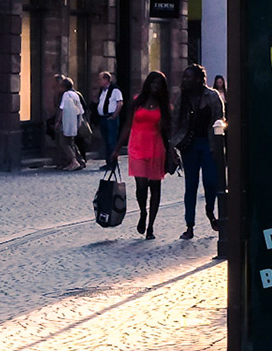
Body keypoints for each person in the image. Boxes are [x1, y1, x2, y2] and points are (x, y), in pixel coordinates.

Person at [172, 64, 226, 239]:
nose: (185, 80)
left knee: (211, 182)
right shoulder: (184, 97)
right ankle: (189, 225)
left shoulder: (212, 96)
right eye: (184, 77)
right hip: (190, 145)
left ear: (198, 79)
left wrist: (220, 144)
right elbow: (176, 122)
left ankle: (210, 212)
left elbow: (220, 120)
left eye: (189, 77)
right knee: (191, 186)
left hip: (209, 144)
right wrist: (172, 145)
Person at [122, 70, 173, 239]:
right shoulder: (137, 102)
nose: (155, 87)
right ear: (148, 84)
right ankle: (143, 211)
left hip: (156, 147)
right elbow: (128, 125)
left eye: (159, 85)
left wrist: (172, 150)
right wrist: (116, 149)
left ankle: (151, 226)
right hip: (137, 145)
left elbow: (168, 132)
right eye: (153, 83)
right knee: (141, 185)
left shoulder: (165, 106)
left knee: (155, 187)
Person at [92, 71, 124, 167]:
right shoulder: (102, 91)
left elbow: (120, 103)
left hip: (110, 118)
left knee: (111, 140)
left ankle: (113, 162)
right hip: (103, 118)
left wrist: (114, 115)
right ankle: (108, 162)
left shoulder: (115, 90)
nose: (99, 81)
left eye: (100, 79)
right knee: (106, 141)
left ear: (106, 80)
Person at [55, 76, 86, 169]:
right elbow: (81, 110)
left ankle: (74, 161)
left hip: (67, 122)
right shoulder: (75, 94)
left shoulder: (66, 95)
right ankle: (80, 160)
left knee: (64, 142)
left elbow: (62, 109)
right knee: (71, 142)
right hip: (74, 121)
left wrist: (58, 121)